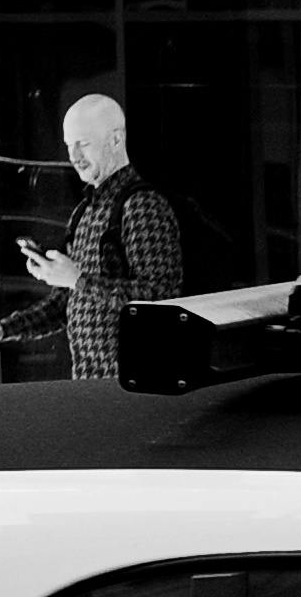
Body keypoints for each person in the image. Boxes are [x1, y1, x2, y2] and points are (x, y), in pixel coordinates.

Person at [16, 93, 183, 386]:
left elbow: (162, 299)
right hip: (92, 385)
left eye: (84, 143)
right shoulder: (85, 211)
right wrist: (6, 329)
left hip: (137, 385)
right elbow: (68, 302)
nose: (74, 156)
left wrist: (78, 279)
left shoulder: (143, 206)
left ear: (116, 141)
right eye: (69, 145)